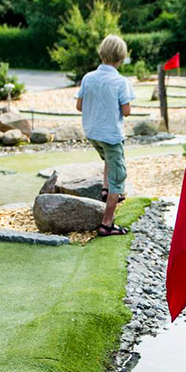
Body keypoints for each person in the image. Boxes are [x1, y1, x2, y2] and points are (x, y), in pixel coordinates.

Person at [75, 35, 134, 237]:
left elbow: (79, 105)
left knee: (108, 159)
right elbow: (126, 111)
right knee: (119, 175)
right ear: (121, 57)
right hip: (110, 135)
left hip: (92, 134)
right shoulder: (120, 82)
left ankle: (106, 190)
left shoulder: (88, 77)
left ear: (102, 53)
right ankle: (107, 223)